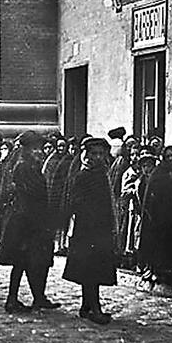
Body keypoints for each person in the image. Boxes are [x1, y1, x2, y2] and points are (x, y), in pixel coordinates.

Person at [0, 131, 59, 312]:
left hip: (30, 221)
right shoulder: (23, 167)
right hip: (26, 222)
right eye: (35, 149)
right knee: (22, 261)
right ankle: (12, 300)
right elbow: (33, 196)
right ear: (26, 150)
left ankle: (38, 298)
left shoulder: (31, 166)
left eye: (40, 149)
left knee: (33, 261)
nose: (39, 152)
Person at [63, 137, 117, 324]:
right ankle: (94, 308)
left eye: (101, 153)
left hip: (99, 230)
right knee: (91, 270)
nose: (97, 157)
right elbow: (75, 203)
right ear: (85, 154)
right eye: (93, 153)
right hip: (87, 230)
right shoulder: (83, 175)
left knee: (93, 269)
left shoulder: (101, 174)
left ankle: (87, 306)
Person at [137, 145, 172, 285]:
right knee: (154, 245)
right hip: (156, 217)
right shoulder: (157, 175)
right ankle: (154, 270)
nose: (171, 159)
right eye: (167, 156)